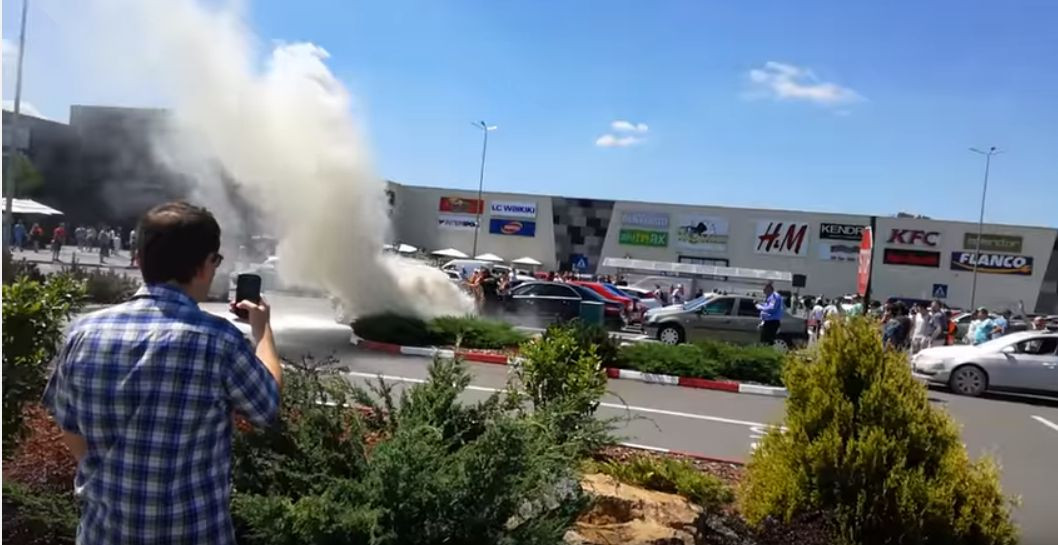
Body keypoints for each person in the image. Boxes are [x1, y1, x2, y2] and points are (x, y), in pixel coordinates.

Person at [41, 201, 281, 544]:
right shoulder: (219, 341)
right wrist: (263, 332)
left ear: (139, 259)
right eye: (216, 261)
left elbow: (70, 427)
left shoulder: (83, 332)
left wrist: (113, 474)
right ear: (205, 265)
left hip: (103, 533)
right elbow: (267, 405)